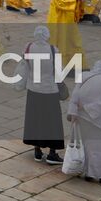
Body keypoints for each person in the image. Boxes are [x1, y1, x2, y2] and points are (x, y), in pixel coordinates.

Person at [20, 25, 64, 165]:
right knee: (52, 122)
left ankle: (37, 150)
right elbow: (59, 73)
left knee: (35, 119)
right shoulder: (53, 50)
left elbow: (25, 65)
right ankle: (52, 153)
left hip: (33, 89)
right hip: (49, 90)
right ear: (47, 36)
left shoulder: (28, 47)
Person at [66, 61, 101, 183]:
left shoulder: (83, 76)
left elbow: (75, 96)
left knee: (85, 146)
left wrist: (73, 112)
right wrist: (88, 108)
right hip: (97, 120)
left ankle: (88, 172)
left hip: (81, 118)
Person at [48, 0, 86, 69]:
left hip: (69, 20)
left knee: (73, 42)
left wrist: (78, 0)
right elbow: (60, 4)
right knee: (62, 44)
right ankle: (63, 67)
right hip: (59, 21)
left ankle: (73, 65)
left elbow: (70, 1)